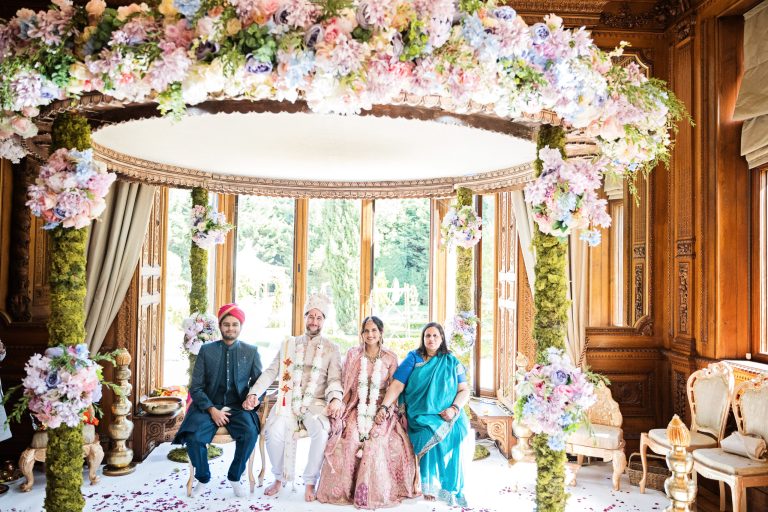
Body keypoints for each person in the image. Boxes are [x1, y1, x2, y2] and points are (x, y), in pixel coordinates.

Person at [243, 294, 343, 501]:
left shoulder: (332, 349)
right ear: (305, 317)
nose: (314, 321)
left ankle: (309, 481)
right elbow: (271, 372)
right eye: (311, 316)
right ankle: (279, 477)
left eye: (319, 317)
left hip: (315, 403)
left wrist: (335, 399)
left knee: (321, 431)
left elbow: (334, 379)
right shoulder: (288, 344)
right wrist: (254, 393)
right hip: (287, 400)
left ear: (324, 321)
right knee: (272, 431)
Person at [316, 316, 420, 509]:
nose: (370, 334)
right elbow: (347, 386)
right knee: (351, 439)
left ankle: (375, 494)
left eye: (374, 330)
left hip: (383, 407)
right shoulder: (354, 354)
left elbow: (394, 389)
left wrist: (385, 410)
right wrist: (341, 406)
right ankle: (344, 492)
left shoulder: (390, 357)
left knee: (377, 442)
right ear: (362, 334)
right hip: (358, 404)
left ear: (381, 333)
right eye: (366, 331)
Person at [374, 322, 470, 507]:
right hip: (420, 413)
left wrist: (454, 409)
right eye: (428, 336)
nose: (431, 339)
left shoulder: (452, 362)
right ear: (423, 338)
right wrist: (384, 407)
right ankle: (429, 485)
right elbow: (397, 384)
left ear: (442, 339)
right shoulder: (413, 358)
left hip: (448, 413)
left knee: (457, 432)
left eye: (435, 336)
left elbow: (464, 390)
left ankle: (449, 486)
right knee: (428, 432)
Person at [172, 304, 262, 498]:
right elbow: (195, 387)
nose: (231, 328)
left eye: (235, 324)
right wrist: (212, 410)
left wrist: (254, 398)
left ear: (240, 326)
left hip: (238, 407)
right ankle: (203, 477)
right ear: (220, 326)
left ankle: (235, 476)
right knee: (193, 437)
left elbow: (258, 385)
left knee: (250, 432)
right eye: (227, 324)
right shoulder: (206, 350)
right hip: (208, 406)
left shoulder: (251, 351)